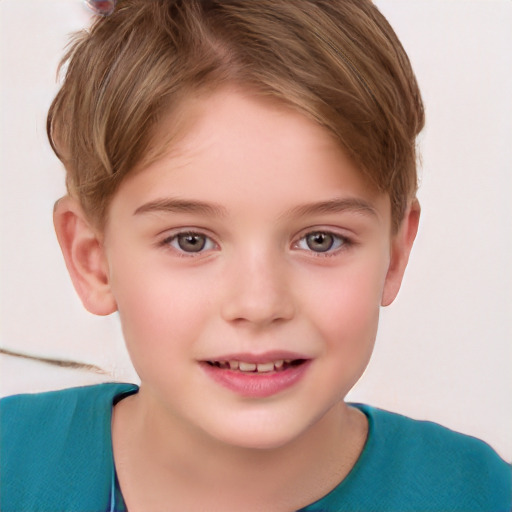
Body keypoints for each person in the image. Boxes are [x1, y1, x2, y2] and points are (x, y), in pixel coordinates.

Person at [1, 0, 510, 510]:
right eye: (191, 241)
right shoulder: (13, 464)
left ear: (395, 254)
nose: (260, 303)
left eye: (321, 240)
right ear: (93, 260)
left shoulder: (481, 496)